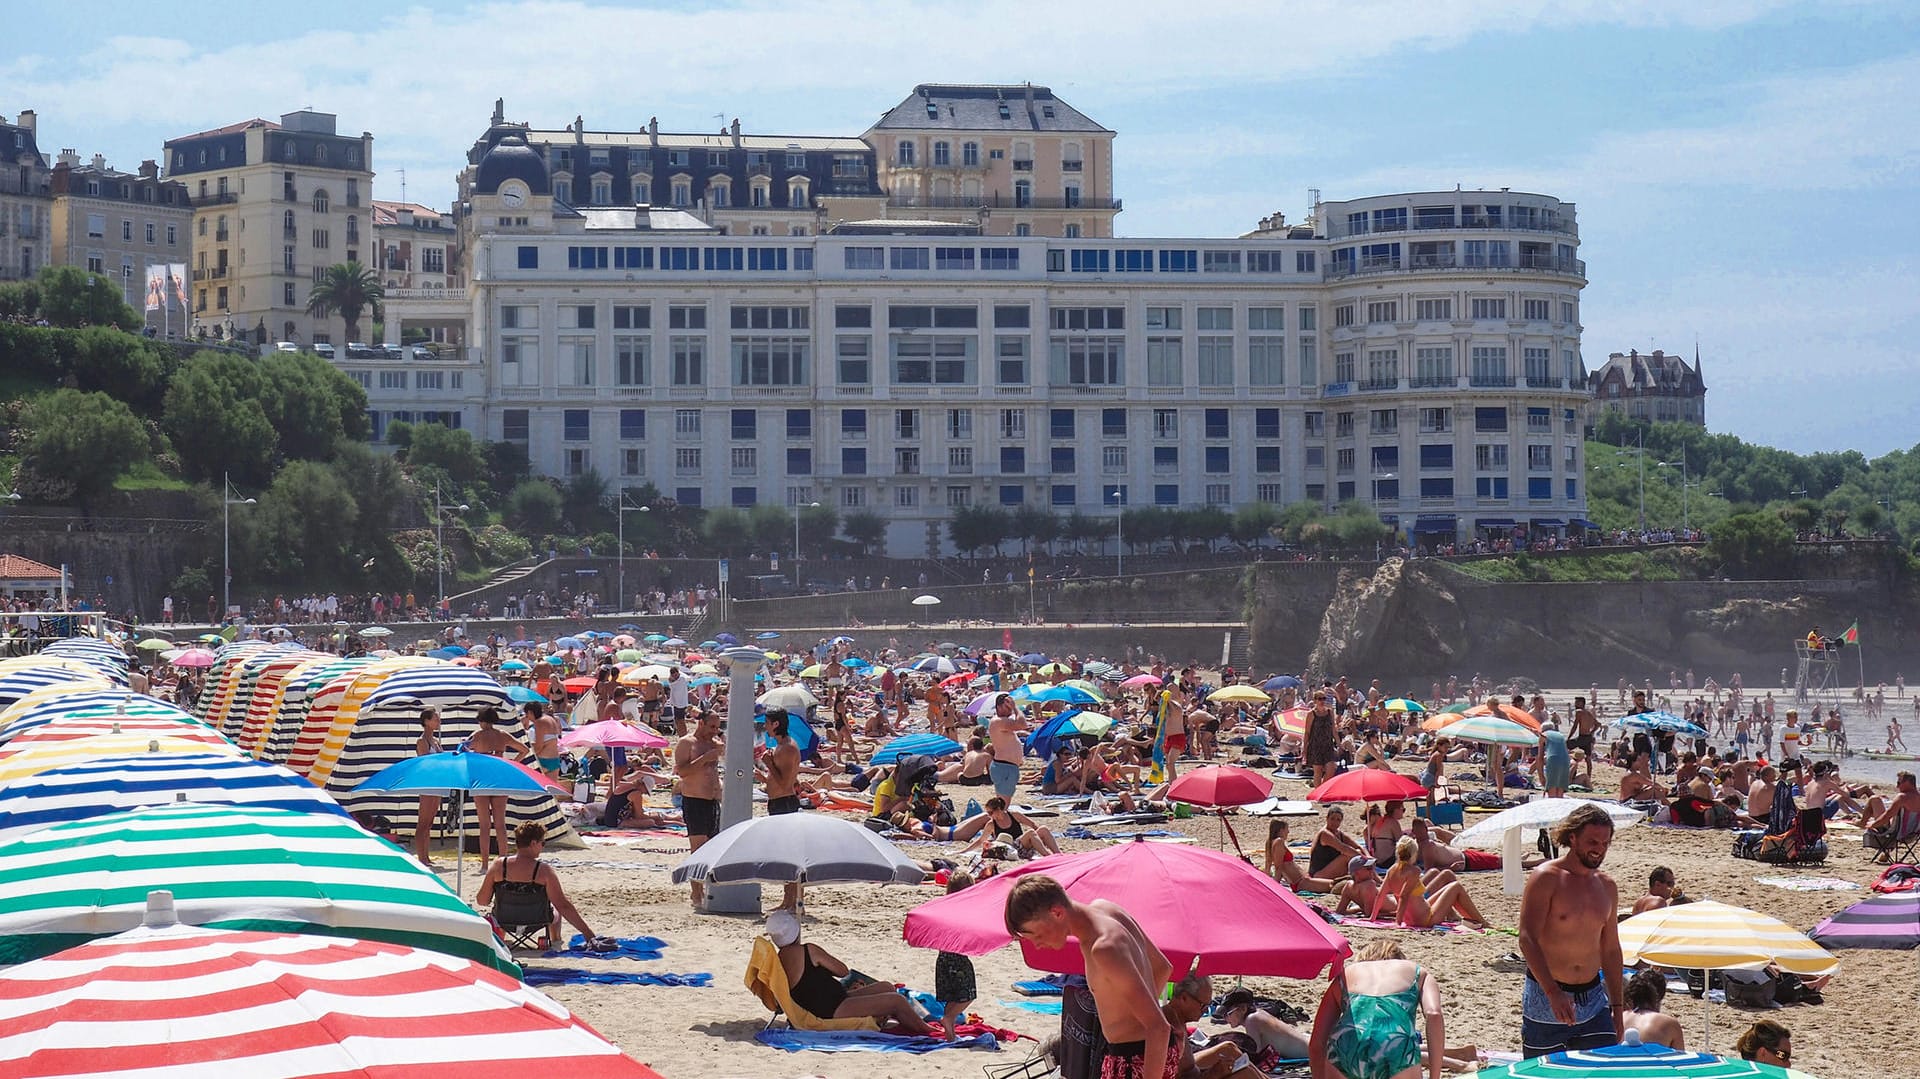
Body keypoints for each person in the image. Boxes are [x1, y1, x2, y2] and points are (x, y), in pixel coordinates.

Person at [1005, 875, 1175, 1079]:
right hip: (1140, 1052)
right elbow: (1162, 967)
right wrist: (1136, 1013)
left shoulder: (1103, 949)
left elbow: (1158, 1027)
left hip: (1137, 1058)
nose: (1038, 945)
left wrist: (1139, 1026)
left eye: (1037, 935)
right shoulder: (1108, 910)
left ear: (1057, 912)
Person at [1517, 802, 1623, 1058]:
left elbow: (1610, 950)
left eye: (1604, 843)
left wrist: (1619, 1008)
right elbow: (1527, 939)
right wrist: (1553, 992)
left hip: (1594, 999)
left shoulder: (1606, 886)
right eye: (1593, 842)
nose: (1599, 850)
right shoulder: (1547, 877)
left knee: (1602, 1073)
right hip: (1546, 996)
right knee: (1544, 1074)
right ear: (1572, 837)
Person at [767, 909, 932, 1034]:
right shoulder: (808, 950)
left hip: (828, 1001)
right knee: (897, 1001)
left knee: (886, 987)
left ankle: (899, 1020)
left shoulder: (779, 959)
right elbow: (842, 971)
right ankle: (929, 1031)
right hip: (833, 1008)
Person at [1309, 938, 1444, 1079]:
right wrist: (1435, 1076)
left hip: (1346, 1043)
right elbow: (1433, 1014)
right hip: (1394, 1042)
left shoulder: (1345, 975)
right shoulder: (1418, 972)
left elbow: (1317, 1042)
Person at [475, 822, 602, 950]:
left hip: (504, 920)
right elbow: (563, 906)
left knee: (503, 906)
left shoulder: (499, 865)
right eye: (543, 843)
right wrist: (588, 934)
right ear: (533, 843)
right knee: (560, 903)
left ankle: (502, 939)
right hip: (537, 921)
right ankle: (556, 940)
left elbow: (482, 900)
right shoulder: (544, 871)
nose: (542, 847)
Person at [1377, 836, 1486, 929]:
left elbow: (1380, 895)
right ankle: (1482, 922)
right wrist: (1398, 922)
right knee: (1456, 887)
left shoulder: (1392, 870)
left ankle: (1467, 918)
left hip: (1413, 917)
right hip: (1425, 919)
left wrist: (1372, 918)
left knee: (1447, 880)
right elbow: (1403, 896)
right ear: (1413, 853)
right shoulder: (1413, 871)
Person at [674, 708, 724, 909]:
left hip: (713, 802)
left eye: (717, 728)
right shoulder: (687, 743)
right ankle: (696, 893)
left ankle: (708, 891)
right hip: (694, 800)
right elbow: (683, 772)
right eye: (712, 727)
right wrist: (705, 758)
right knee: (698, 849)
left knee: (714, 848)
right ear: (700, 723)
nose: (715, 731)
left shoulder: (715, 744)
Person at [467, 706, 528, 867]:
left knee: (484, 826)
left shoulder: (477, 736)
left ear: (481, 720)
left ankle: (485, 864)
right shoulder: (502, 735)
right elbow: (524, 750)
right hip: (499, 779)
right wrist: (512, 764)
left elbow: (462, 750)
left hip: (481, 780)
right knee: (500, 824)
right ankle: (503, 860)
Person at [762, 708, 804, 911]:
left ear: (776, 724)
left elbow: (786, 783)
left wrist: (769, 764)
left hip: (785, 802)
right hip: (778, 802)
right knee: (784, 853)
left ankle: (793, 901)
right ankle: (789, 900)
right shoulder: (780, 746)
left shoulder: (787, 748)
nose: (765, 726)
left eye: (768, 722)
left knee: (789, 854)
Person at [1212, 987, 1310, 1068]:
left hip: (1308, 1053)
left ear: (1243, 1009)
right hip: (1308, 1043)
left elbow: (1255, 1055)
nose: (1225, 1018)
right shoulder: (1259, 1013)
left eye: (1227, 1014)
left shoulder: (1252, 1020)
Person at [933, 872, 978, 1040]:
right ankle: (949, 1019)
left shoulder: (944, 907)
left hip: (943, 958)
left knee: (951, 997)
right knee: (967, 995)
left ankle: (950, 1034)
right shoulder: (962, 910)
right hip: (957, 958)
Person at [1263, 819, 1343, 894]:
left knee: (1334, 883)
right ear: (1281, 830)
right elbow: (1278, 867)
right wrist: (1275, 888)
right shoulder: (1279, 842)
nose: (1288, 832)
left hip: (1302, 881)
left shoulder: (1270, 842)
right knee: (1334, 886)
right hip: (1301, 882)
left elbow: (1268, 865)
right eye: (1287, 829)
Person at [1619, 969, 1684, 1050]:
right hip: (1652, 1062)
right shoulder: (1670, 1024)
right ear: (1661, 995)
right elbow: (1680, 1059)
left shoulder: (1618, 1019)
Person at [412, 706, 444, 866]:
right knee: (423, 822)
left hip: (436, 783)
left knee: (430, 822)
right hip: (427, 783)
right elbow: (424, 762)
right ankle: (421, 857)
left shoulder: (435, 741)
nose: (438, 721)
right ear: (426, 721)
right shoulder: (422, 741)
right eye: (435, 718)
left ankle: (426, 856)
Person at [988, 695, 1027, 801]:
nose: (1010, 709)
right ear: (999, 707)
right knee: (1003, 804)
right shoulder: (998, 721)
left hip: (1007, 766)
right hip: (1004, 767)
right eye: (1007, 706)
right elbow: (1023, 724)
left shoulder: (1002, 721)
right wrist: (1015, 707)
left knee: (1002, 803)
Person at [1310, 806, 1367, 877]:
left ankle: (1375, 878)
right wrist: (1363, 858)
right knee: (1347, 856)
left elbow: (1358, 846)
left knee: (1357, 852)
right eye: (1332, 819)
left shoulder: (1338, 833)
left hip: (1331, 869)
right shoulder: (1325, 834)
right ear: (1327, 819)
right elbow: (1344, 848)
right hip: (1319, 873)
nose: (1335, 822)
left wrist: (1368, 856)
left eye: (1338, 820)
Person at [1303, 691, 1339, 786]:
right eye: (1320, 699)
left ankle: (1321, 789)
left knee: (1331, 770)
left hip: (1328, 745)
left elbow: (1333, 730)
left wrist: (1339, 744)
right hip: (1315, 746)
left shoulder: (1329, 712)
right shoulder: (1311, 714)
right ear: (1315, 700)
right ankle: (1317, 794)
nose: (1322, 701)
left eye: (1324, 698)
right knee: (1318, 772)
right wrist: (1304, 749)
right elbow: (1307, 733)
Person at [527, 701, 562, 776]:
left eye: (527, 715)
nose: (528, 718)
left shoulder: (539, 722)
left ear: (530, 712)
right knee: (552, 786)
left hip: (543, 760)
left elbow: (539, 747)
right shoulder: (550, 719)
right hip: (554, 759)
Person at [1538, 723, 1571, 798]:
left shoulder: (1543, 735)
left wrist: (1541, 777)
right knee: (1560, 786)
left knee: (1551, 787)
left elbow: (1540, 757)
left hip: (1553, 759)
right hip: (1566, 759)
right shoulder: (1561, 735)